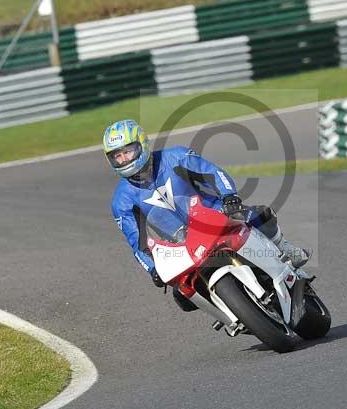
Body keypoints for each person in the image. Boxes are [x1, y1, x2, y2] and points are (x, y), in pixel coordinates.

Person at [104, 119, 310, 311]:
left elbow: (212, 172)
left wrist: (230, 197)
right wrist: (152, 269)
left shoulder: (175, 156)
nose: (123, 159)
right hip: (181, 243)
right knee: (182, 297)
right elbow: (138, 242)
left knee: (261, 214)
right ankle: (231, 313)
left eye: (128, 152)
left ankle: (284, 248)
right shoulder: (121, 201)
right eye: (117, 156)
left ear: (142, 144)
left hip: (216, 214)